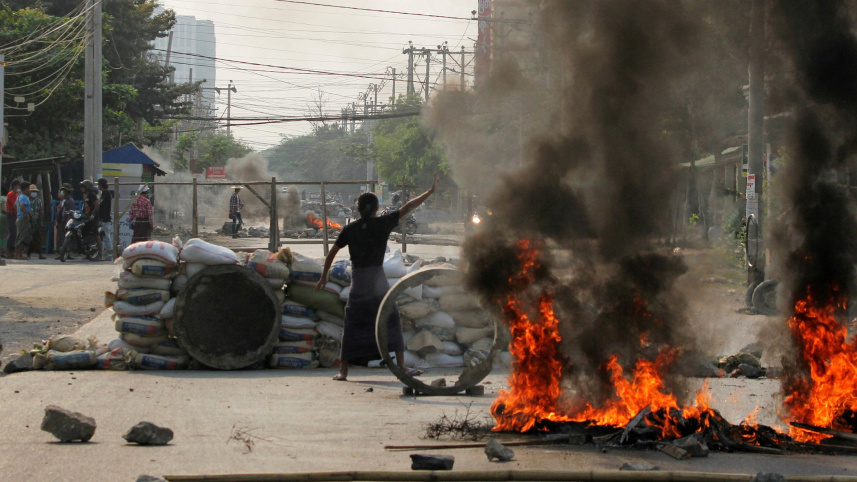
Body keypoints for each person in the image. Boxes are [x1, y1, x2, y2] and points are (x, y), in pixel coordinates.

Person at [316, 174, 439, 381]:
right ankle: (402, 366)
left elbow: (331, 254)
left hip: (358, 283)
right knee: (391, 320)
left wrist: (323, 278)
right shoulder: (383, 223)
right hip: (378, 282)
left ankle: (343, 372)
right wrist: (428, 193)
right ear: (375, 208)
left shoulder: (350, 229)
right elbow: (408, 207)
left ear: (358, 208)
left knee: (352, 324)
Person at [54, 184, 75, 259]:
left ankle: (67, 253)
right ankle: (61, 253)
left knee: (66, 238)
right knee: (60, 238)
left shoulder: (70, 201)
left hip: (66, 222)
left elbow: (70, 212)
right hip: (61, 221)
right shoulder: (62, 201)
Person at [26, 185, 45, 259]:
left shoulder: (38, 201)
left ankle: (40, 254)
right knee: (28, 238)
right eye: (32, 192)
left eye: (35, 192)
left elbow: (40, 211)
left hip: (36, 221)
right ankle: (28, 254)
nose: (34, 193)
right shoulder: (26, 200)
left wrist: (40, 221)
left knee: (38, 238)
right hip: (28, 221)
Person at [14, 182, 32, 259]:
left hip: (19, 217)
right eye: (29, 189)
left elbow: (15, 205)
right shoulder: (24, 197)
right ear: (25, 189)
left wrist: (18, 213)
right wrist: (26, 214)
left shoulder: (19, 197)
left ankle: (17, 254)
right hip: (23, 218)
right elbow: (22, 206)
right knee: (22, 237)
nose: (30, 191)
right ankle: (19, 254)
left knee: (19, 236)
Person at [97, 178, 112, 260]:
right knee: (101, 237)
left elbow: (105, 207)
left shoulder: (107, 194)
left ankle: (110, 255)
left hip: (105, 219)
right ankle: (100, 254)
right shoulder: (102, 194)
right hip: (101, 218)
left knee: (106, 237)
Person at [5, 179, 20, 258]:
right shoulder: (10, 194)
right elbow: (15, 205)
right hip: (11, 215)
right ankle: (8, 251)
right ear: (15, 186)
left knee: (16, 234)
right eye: (18, 186)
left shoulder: (18, 195)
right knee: (12, 233)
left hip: (16, 215)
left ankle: (12, 251)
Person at [0, 184, 7, 257]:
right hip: (7, 217)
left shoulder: (1, 198)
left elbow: (2, 208)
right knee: (5, 235)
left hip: (1, 217)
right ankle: (4, 251)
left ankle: (1, 250)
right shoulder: (7, 198)